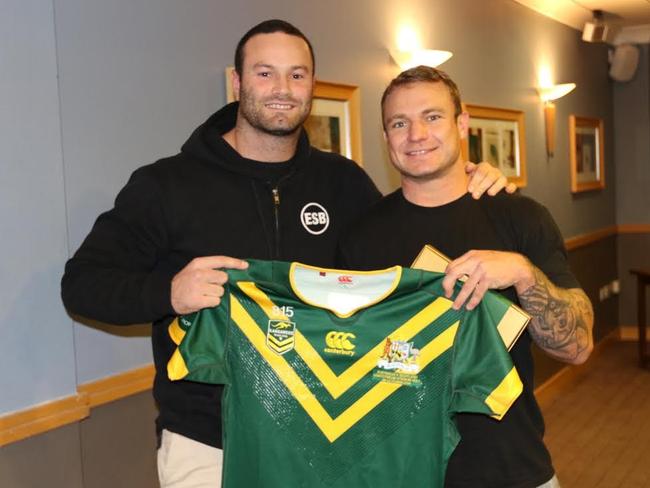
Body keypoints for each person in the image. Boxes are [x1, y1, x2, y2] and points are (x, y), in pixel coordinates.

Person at [61, 21, 512, 488]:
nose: (282, 89)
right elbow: (81, 285)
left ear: (312, 86)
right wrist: (168, 291)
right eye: (265, 73)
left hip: (330, 442)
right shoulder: (165, 186)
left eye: (297, 75)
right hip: (210, 443)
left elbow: (408, 254)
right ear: (237, 83)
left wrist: (466, 178)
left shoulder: (345, 184)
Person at [338, 66, 594, 488]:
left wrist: (522, 273)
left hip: (512, 470)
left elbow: (580, 346)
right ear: (386, 139)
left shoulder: (520, 217)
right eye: (399, 123)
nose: (416, 134)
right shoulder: (360, 238)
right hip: (400, 472)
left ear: (462, 123)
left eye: (433, 116)